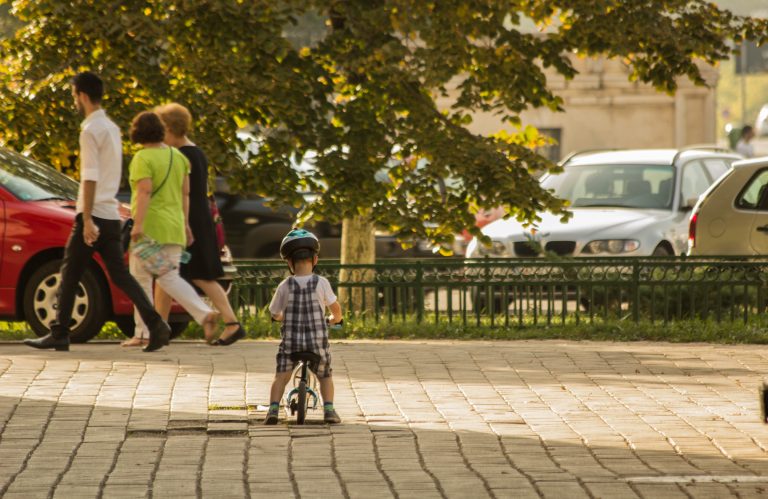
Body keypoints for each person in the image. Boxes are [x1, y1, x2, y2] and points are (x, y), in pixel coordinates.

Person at [24, 72, 171, 353]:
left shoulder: (90, 130)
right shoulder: (112, 128)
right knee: (116, 274)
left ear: (81, 95)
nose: (74, 101)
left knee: (70, 271)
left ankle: (59, 333)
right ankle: (155, 324)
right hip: (111, 212)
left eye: (74, 96)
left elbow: (90, 177)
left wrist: (87, 217)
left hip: (93, 214)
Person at [152, 103, 245, 346]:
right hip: (197, 220)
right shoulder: (196, 152)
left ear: (170, 128)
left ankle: (232, 323)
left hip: (189, 222)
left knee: (202, 276)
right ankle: (159, 328)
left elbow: (180, 192)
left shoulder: (182, 155)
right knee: (166, 275)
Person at [125, 111, 219, 346]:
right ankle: (203, 312)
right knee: (170, 277)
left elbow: (144, 191)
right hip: (175, 227)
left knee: (141, 279)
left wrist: (137, 225)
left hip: (149, 229)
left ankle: (143, 332)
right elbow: (185, 194)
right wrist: (186, 224)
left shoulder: (142, 158)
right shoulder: (178, 157)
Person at [265, 229, 343, 425]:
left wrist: (281, 317)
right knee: (325, 375)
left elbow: (274, 312)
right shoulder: (322, 282)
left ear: (289, 263)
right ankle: (329, 410)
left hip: (291, 344)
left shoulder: (285, 285)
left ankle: (273, 409)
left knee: (281, 376)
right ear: (315, 259)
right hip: (316, 343)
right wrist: (335, 319)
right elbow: (335, 308)